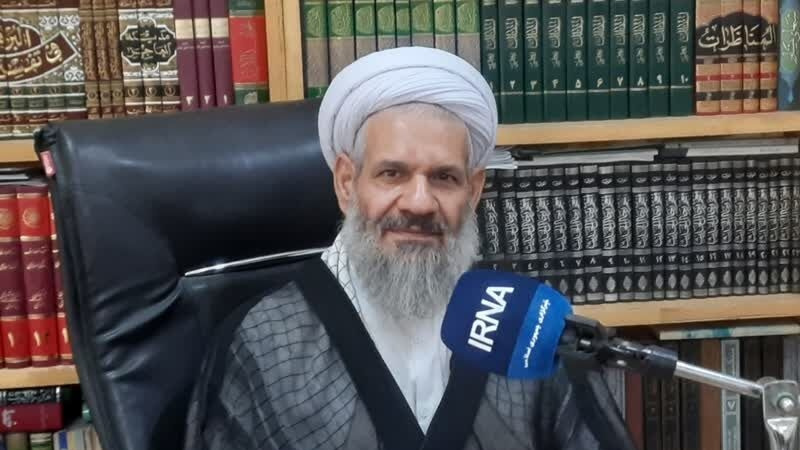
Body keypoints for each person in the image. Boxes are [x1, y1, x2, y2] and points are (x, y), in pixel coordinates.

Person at [182, 46, 629, 450]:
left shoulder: (525, 327)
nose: (419, 203)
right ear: (347, 183)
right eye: (392, 174)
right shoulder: (264, 342)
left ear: (473, 191)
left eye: (444, 178)